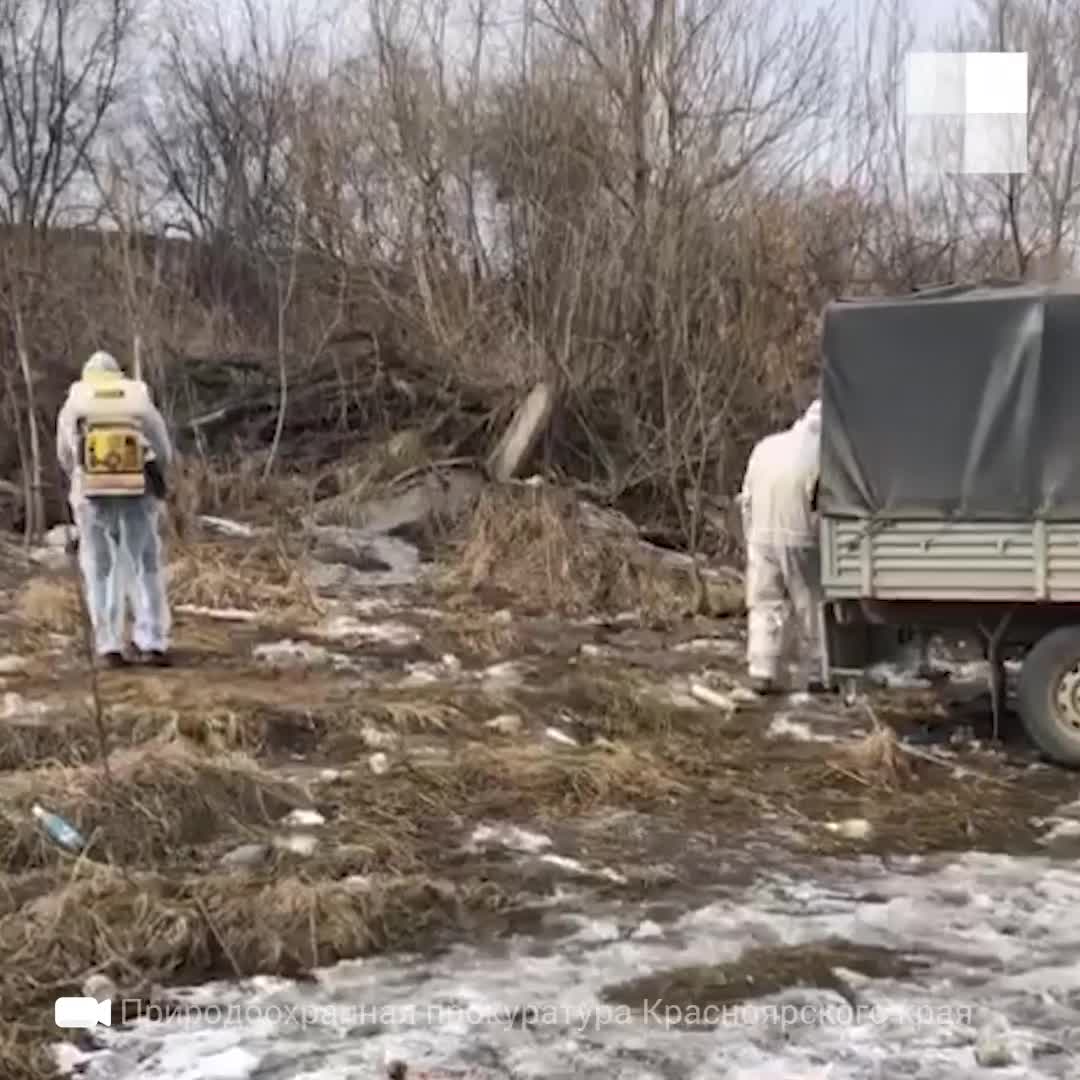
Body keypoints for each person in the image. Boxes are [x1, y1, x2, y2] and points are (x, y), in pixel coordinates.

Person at [55, 351, 173, 668]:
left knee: (100, 567)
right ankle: (152, 642)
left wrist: (79, 478)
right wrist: (156, 473)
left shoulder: (76, 402)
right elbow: (161, 446)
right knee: (143, 563)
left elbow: (65, 454)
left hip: (91, 493)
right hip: (138, 490)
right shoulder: (137, 397)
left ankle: (109, 645)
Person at [738, 399, 824, 694]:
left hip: (761, 535)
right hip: (800, 535)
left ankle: (762, 670)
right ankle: (819, 672)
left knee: (764, 604)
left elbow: (746, 497)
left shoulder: (766, 446)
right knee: (812, 604)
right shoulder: (824, 452)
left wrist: (749, 533)